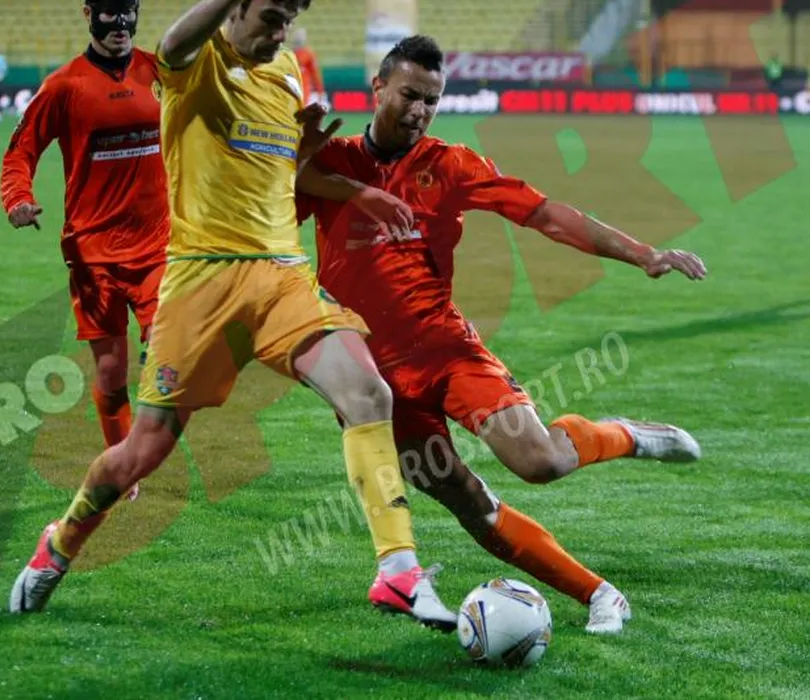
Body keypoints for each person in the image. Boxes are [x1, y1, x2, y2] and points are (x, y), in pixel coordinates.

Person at [9, 0, 458, 633]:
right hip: (202, 283)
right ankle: (60, 543)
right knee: (142, 452)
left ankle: (398, 571)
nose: (281, 32)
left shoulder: (287, 73)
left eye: (289, 19)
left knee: (367, 391)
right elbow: (172, 43)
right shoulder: (194, 63)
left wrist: (339, 177)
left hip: (280, 276)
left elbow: (283, 170)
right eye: (271, 16)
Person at [297, 35, 708, 634]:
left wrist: (642, 254)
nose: (419, 111)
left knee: (540, 461)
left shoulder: (450, 164)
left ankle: (629, 435)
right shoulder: (330, 166)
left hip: (447, 352)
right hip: (369, 382)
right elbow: (258, 222)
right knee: (466, 500)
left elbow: (545, 214)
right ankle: (599, 594)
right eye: (409, 95)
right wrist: (292, 162)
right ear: (378, 88)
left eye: (431, 100)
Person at [0, 0, 165, 504]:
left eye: (130, 11)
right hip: (94, 251)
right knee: (112, 373)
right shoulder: (64, 86)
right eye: (110, 13)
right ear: (89, 13)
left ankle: (145, 442)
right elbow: (21, 149)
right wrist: (17, 198)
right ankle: (122, 462)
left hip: (159, 244)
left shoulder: (159, 69)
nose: (122, 24)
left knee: (166, 347)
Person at [291, 27, 324, 105]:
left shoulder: (308, 54)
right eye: (297, 37)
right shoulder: (288, 53)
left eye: (300, 37)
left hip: (304, 87)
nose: (298, 40)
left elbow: (315, 73)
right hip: (292, 86)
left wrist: (320, 90)